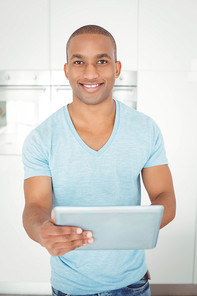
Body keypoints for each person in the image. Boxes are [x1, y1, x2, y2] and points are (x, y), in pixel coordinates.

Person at [22, 25, 176, 296]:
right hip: (69, 287)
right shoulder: (41, 138)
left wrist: (130, 228)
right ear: (67, 70)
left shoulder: (145, 129)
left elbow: (165, 198)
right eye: (79, 61)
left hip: (132, 284)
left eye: (101, 61)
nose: (90, 73)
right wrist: (41, 230)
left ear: (116, 68)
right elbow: (35, 206)